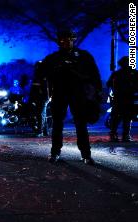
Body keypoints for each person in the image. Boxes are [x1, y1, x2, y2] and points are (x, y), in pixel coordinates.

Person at [40, 30, 102, 165]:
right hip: (60, 93)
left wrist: (96, 91)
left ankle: (86, 154)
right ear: (59, 42)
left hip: (78, 93)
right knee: (57, 124)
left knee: (81, 124)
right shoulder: (53, 58)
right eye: (62, 40)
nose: (65, 42)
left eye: (68, 39)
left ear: (73, 39)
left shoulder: (84, 56)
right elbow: (43, 74)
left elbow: (94, 74)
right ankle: (55, 152)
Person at [107, 56, 138, 142]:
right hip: (125, 98)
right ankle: (123, 135)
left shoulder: (117, 74)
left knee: (120, 117)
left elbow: (109, 84)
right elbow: (109, 84)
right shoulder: (133, 73)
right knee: (124, 117)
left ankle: (118, 135)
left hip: (123, 98)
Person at [30, 61, 50, 137]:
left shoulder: (42, 75)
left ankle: (40, 131)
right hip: (40, 97)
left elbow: (45, 88)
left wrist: (47, 98)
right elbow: (34, 88)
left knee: (41, 114)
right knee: (41, 114)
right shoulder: (38, 75)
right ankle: (45, 131)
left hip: (42, 98)